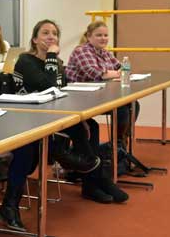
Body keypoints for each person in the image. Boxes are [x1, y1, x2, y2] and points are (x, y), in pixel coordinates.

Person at [14, 20, 128, 204]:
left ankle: (91, 185)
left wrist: (78, 116)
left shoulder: (58, 62)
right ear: (35, 39)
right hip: (33, 118)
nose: (51, 37)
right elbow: (49, 86)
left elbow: (62, 92)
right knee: (81, 131)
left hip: (56, 114)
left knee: (90, 125)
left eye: (54, 33)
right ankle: (100, 179)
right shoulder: (26, 60)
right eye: (45, 33)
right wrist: (51, 55)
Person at [66, 21, 140, 148]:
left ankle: (120, 143)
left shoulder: (105, 52)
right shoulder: (81, 51)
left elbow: (123, 68)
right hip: (81, 98)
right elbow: (95, 73)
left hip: (100, 95)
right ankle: (117, 146)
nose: (103, 38)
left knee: (133, 104)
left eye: (106, 35)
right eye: (99, 35)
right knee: (121, 109)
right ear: (89, 37)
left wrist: (115, 72)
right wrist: (116, 73)